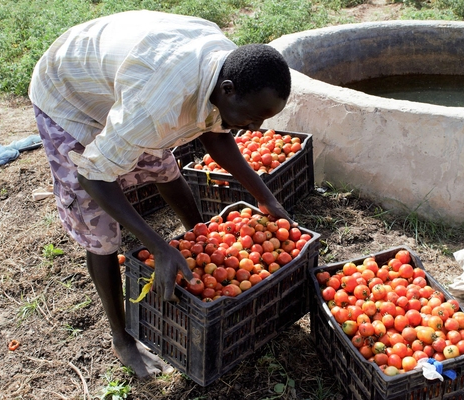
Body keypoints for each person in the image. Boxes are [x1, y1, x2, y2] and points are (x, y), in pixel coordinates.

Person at [28, 10, 293, 379]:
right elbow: (93, 175)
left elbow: (217, 134)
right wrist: (157, 245)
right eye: (250, 118)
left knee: (161, 165)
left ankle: (198, 238)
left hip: (126, 86)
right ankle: (122, 339)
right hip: (69, 94)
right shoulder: (157, 104)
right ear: (228, 90)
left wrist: (267, 198)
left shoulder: (229, 69)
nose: (254, 128)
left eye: (261, 122)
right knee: (100, 230)